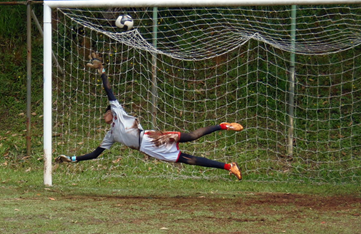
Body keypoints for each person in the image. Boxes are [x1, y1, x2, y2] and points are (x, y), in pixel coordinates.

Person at [56, 52, 243, 180]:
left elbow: (108, 90)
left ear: (110, 112)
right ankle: (229, 166)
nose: (103, 115)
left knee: (191, 137)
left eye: (105, 112)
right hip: (148, 149)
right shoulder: (110, 135)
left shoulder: (118, 112)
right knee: (189, 160)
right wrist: (72, 159)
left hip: (150, 138)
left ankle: (223, 126)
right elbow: (95, 154)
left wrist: (102, 71)